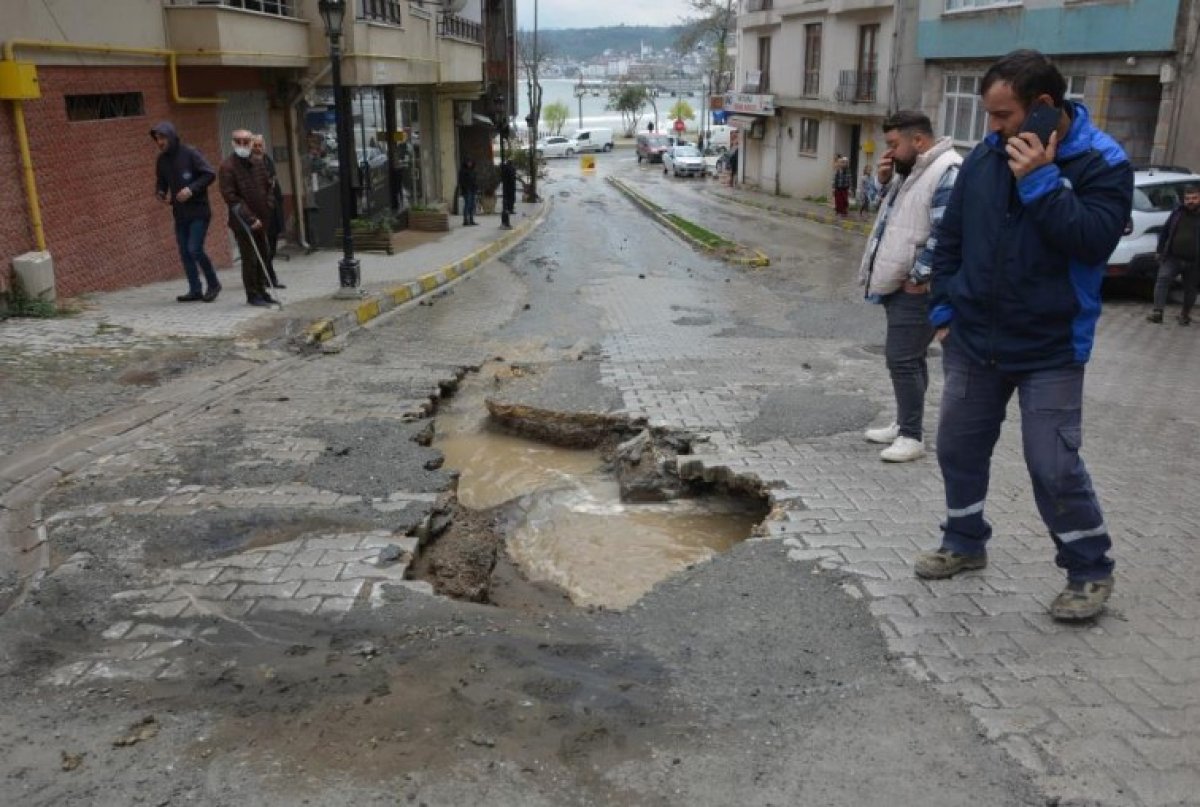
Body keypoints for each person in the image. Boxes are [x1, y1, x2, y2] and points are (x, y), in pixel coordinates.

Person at [922, 49, 1133, 622]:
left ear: (1043, 107)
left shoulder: (1102, 163)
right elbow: (951, 241)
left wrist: (1040, 178)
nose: (992, 129)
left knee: (1053, 465)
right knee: (957, 449)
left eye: (1002, 116)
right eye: (989, 116)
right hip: (973, 340)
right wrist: (944, 311)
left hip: (1051, 348)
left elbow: (1091, 241)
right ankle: (964, 542)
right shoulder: (985, 158)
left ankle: (1089, 570)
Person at [858, 111, 962, 463]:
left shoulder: (945, 170)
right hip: (900, 281)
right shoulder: (911, 171)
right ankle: (905, 422)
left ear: (918, 141)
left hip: (917, 288)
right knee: (911, 359)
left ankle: (911, 435)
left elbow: (946, 233)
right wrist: (883, 181)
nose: (888, 152)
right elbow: (882, 213)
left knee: (901, 359)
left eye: (893, 145)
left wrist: (919, 277)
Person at [151, 122, 220, 303]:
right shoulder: (162, 160)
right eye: (157, 139)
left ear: (172, 137)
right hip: (180, 213)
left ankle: (213, 284)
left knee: (194, 249)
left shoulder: (190, 153)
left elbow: (209, 174)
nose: (160, 142)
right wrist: (160, 193)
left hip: (199, 211)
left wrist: (191, 190)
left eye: (163, 138)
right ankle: (195, 289)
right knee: (184, 252)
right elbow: (161, 182)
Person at [218, 129, 277, 307]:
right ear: (233, 143)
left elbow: (268, 186)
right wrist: (251, 219)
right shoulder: (227, 167)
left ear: (251, 143)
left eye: (246, 142)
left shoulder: (258, 162)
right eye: (239, 142)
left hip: (263, 218)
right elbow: (231, 197)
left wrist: (269, 206)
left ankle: (262, 290)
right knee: (250, 258)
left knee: (264, 255)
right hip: (243, 222)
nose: (242, 145)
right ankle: (252, 294)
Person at [1146, 183, 1200, 325]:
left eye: (1194, 198)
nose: (1191, 201)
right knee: (1162, 279)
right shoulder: (1177, 212)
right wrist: (1159, 250)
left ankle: (1185, 315)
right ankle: (1158, 312)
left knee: (1190, 289)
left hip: (1195, 261)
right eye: (1188, 198)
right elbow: (1164, 232)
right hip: (1173, 257)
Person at [250, 134, 286, 289]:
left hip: (273, 209)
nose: (258, 148)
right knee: (264, 248)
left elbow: (274, 185)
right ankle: (268, 279)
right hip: (259, 211)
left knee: (271, 247)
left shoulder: (267, 161)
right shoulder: (249, 164)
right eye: (255, 145)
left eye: (260, 145)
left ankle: (267, 277)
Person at [458, 157, 478, 226]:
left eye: (471, 162)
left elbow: (475, 180)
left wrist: (476, 188)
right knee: (467, 204)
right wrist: (465, 188)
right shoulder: (462, 171)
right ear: (465, 163)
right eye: (468, 162)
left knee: (472, 205)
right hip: (466, 190)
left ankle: (471, 220)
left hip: (472, 189)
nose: (469, 163)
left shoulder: (473, 170)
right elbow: (461, 181)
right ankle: (465, 220)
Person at [500, 159, 517, 229]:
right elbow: (512, 177)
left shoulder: (505, 168)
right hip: (510, 186)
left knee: (507, 199)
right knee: (510, 198)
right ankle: (509, 210)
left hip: (507, 187)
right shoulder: (511, 169)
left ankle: (509, 209)